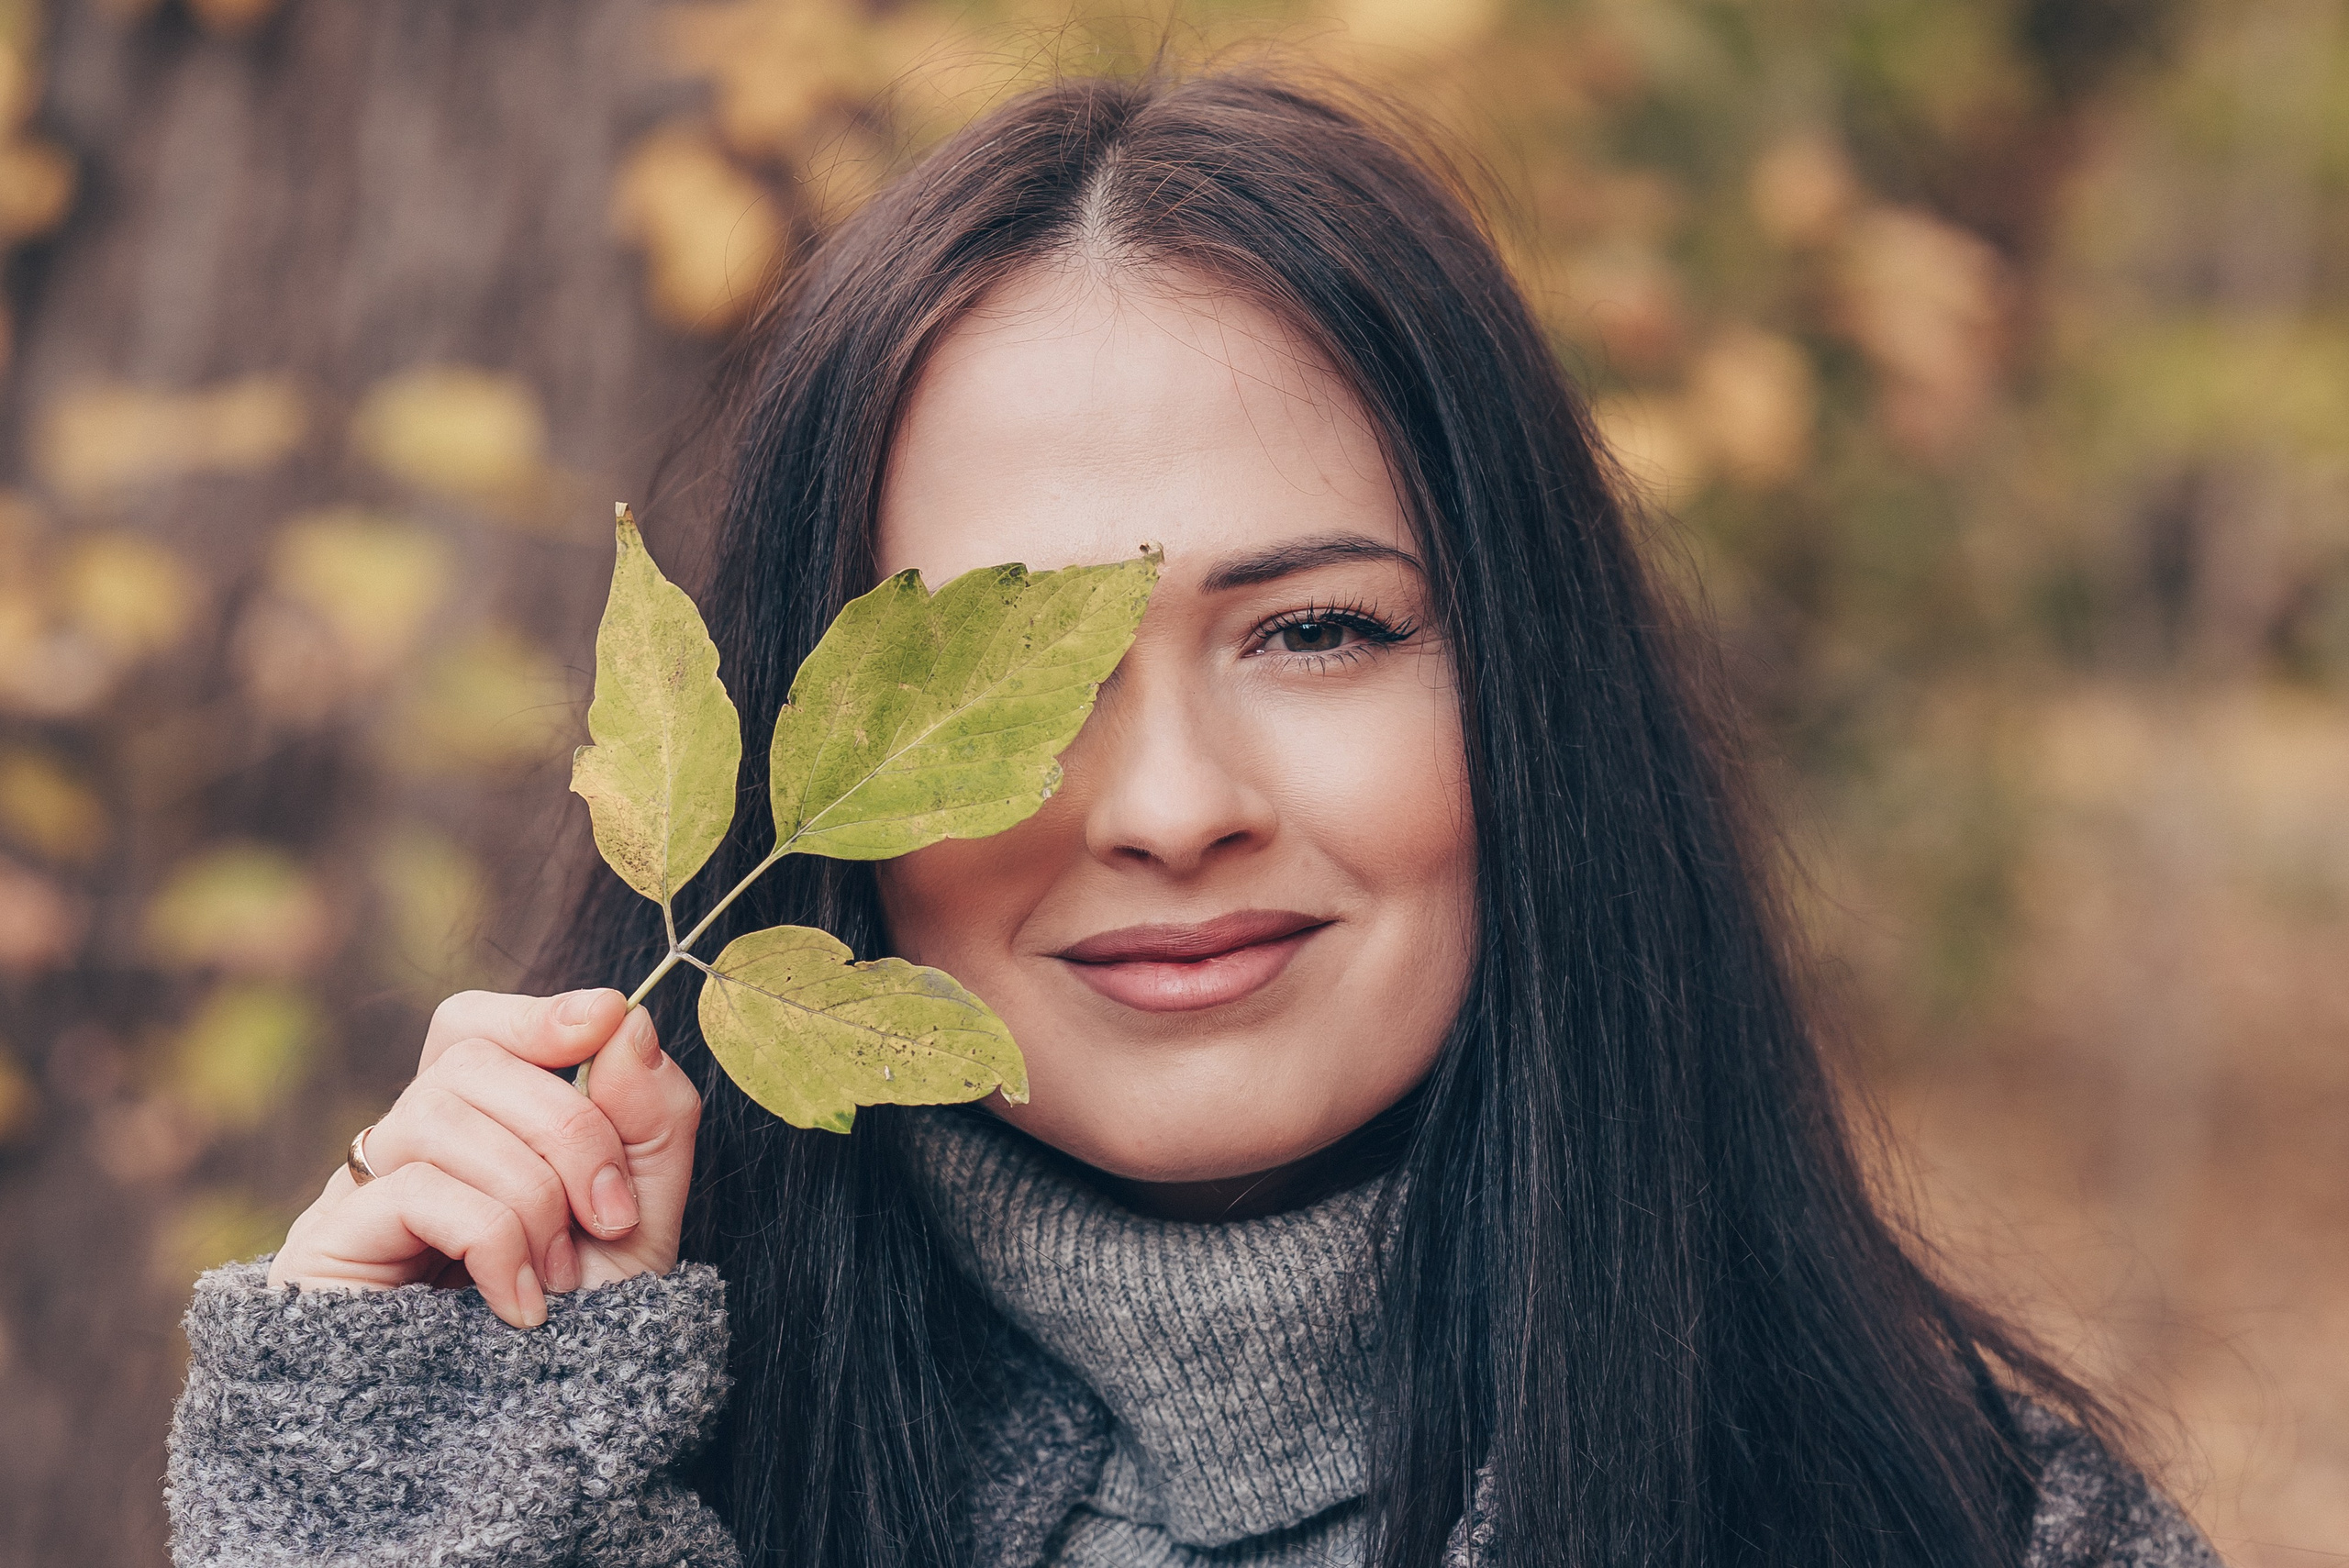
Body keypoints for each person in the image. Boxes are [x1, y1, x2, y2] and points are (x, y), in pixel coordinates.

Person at [165, 72, 2221, 1568]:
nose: (1167, 809)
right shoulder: (576, 1492)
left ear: (1530, 701)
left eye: (1317, 630)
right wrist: (422, 1489)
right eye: (1007, 687)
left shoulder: (1986, 1534)